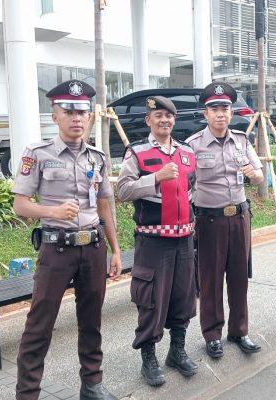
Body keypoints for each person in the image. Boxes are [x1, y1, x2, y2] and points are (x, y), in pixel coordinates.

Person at [12, 79, 122, 400]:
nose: (76, 118)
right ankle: (27, 392)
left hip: (92, 249)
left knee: (92, 320)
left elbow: (104, 206)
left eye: (82, 112)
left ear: (89, 117)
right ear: (55, 115)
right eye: (68, 111)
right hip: (56, 249)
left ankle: (92, 384)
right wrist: (53, 211)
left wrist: (115, 250)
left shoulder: (97, 158)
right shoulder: (38, 154)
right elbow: (20, 204)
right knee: (40, 324)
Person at [117, 96, 198, 386]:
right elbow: (123, 191)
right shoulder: (136, 153)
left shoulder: (187, 153)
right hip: (153, 242)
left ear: (174, 120)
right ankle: (148, 358)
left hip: (185, 239)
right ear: (148, 120)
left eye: (169, 116)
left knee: (184, 297)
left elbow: (193, 190)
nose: (164, 120)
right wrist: (156, 178)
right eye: (158, 115)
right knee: (150, 299)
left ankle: (177, 351)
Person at [186, 81, 264, 359]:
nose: (220, 114)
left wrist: (254, 175)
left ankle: (239, 330)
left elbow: (260, 174)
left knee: (239, 278)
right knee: (210, 280)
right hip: (209, 221)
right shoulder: (193, 145)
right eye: (214, 109)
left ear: (231, 113)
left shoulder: (242, 141)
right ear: (205, 114)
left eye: (225, 109)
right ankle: (212, 334)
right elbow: (185, 186)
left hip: (239, 218)